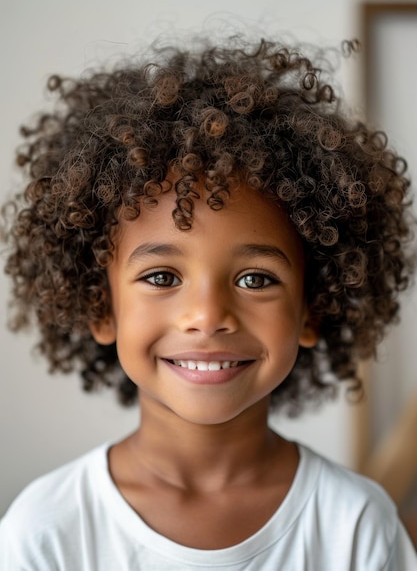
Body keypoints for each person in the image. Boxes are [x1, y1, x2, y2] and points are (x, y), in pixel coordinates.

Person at [0, 36, 416, 569]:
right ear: (101, 306)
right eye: (161, 275)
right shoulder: (49, 529)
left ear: (311, 308)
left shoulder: (355, 526)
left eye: (255, 279)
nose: (207, 316)